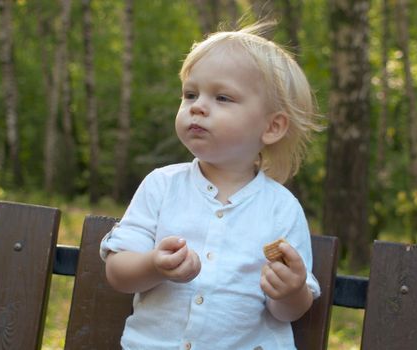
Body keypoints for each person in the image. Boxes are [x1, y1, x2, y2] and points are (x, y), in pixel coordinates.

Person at [100, 22, 322, 349]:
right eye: (190, 94)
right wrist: (153, 265)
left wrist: (290, 291)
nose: (198, 106)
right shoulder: (162, 186)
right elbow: (118, 271)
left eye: (222, 97)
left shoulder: (280, 209)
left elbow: (287, 312)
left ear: (272, 127)